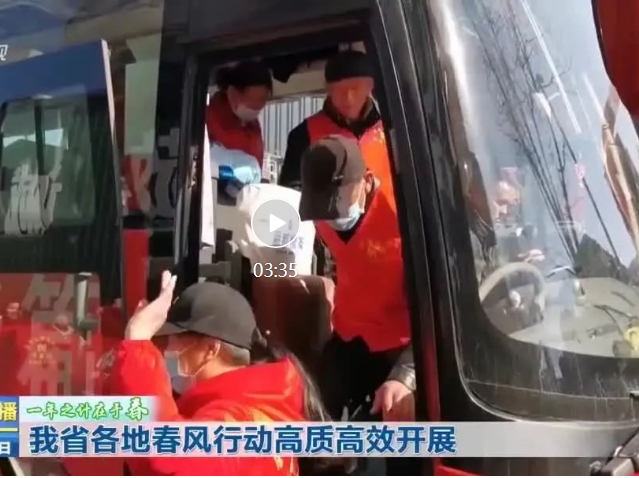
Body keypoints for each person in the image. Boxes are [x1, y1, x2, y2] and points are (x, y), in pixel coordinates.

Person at [109, 273, 349, 476]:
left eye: (173, 341)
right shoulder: (253, 408)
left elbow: (165, 459)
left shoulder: (239, 423)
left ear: (210, 349)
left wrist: (137, 344)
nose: (165, 352)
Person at [298, 136, 416, 427]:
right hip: (350, 334)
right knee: (311, 411)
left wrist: (407, 376)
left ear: (367, 182)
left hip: (402, 344)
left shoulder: (404, 217)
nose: (332, 219)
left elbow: (441, 309)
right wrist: (269, 272)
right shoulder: (322, 211)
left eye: (338, 204)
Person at [278, 50, 386, 189]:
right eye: (340, 90)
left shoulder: (392, 130)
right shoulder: (303, 135)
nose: (349, 98)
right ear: (328, 89)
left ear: (371, 85)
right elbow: (291, 192)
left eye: (355, 88)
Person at [206, 60, 272, 166]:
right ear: (232, 94)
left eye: (262, 100)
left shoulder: (253, 126)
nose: (256, 107)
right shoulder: (207, 120)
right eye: (252, 100)